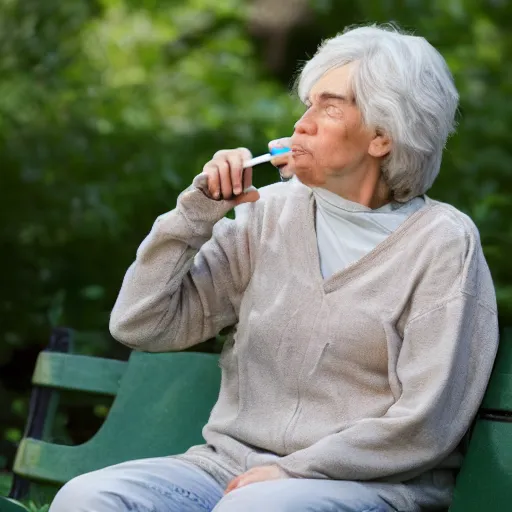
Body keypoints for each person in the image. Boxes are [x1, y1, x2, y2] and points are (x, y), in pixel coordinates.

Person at [50, 23, 499, 512]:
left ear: (383, 137)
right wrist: (194, 215)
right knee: (88, 497)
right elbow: (139, 324)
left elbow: (425, 422)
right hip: (228, 470)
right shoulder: (267, 214)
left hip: (369, 486)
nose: (302, 123)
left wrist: (291, 471)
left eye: (329, 107)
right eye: (307, 104)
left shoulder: (442, 242)